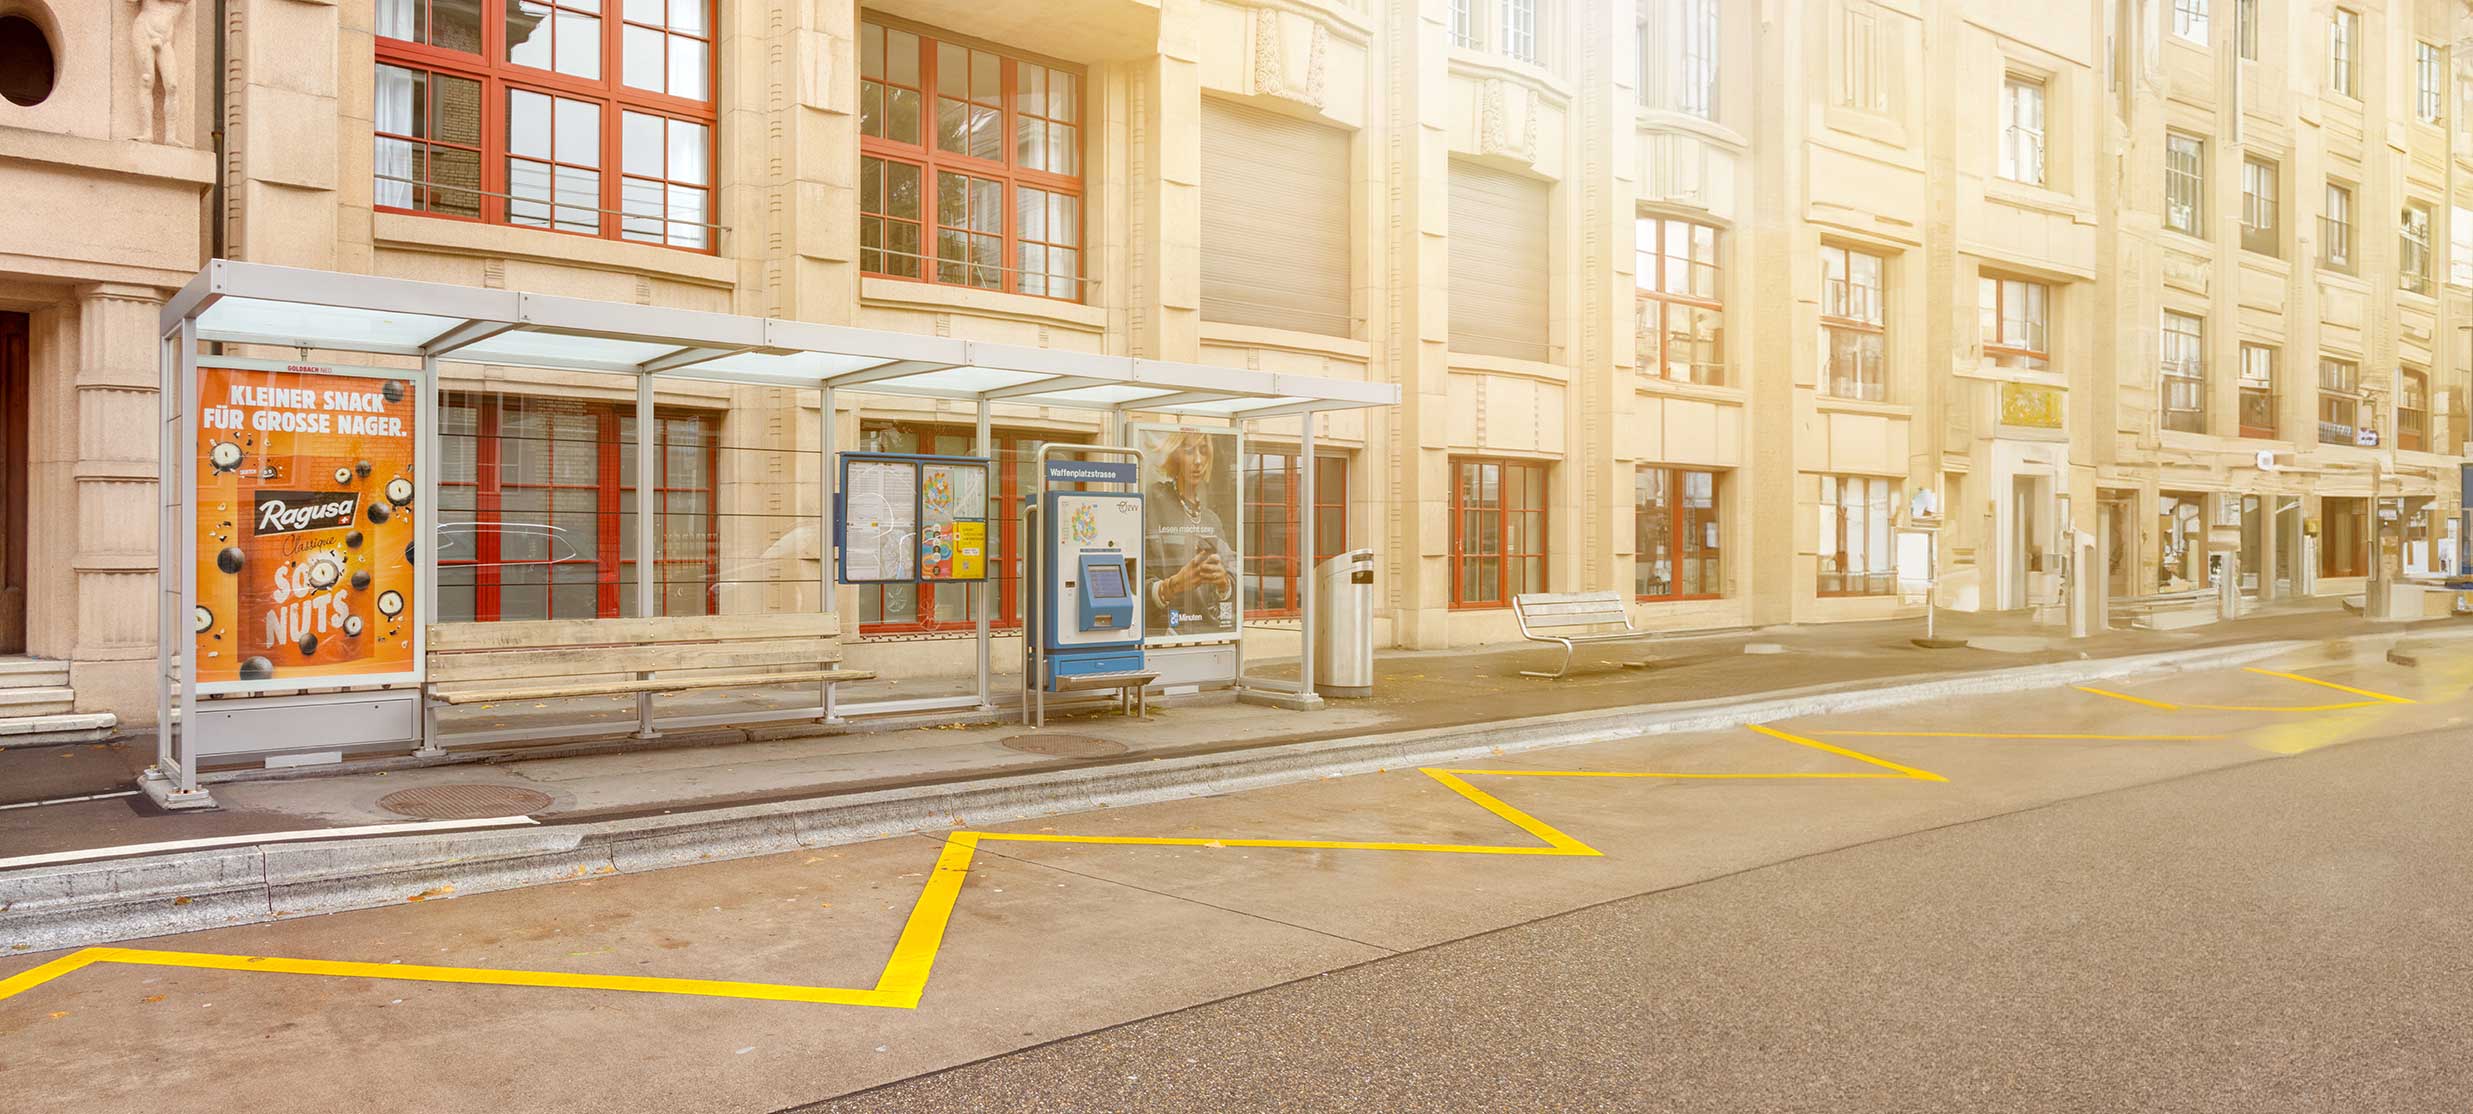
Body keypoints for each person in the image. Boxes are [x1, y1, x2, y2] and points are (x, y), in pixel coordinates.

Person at [1143, 431, 1233, 633]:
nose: (1198, 461)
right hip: (1161, 633)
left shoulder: (1211, 520)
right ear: (1176, 455)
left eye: (1204, 451)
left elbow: (1231, 581)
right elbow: (1134, 579)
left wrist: (1223, 582)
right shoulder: (1154, 503)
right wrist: (1172, 586)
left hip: (1207, 633)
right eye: (1190, 451)